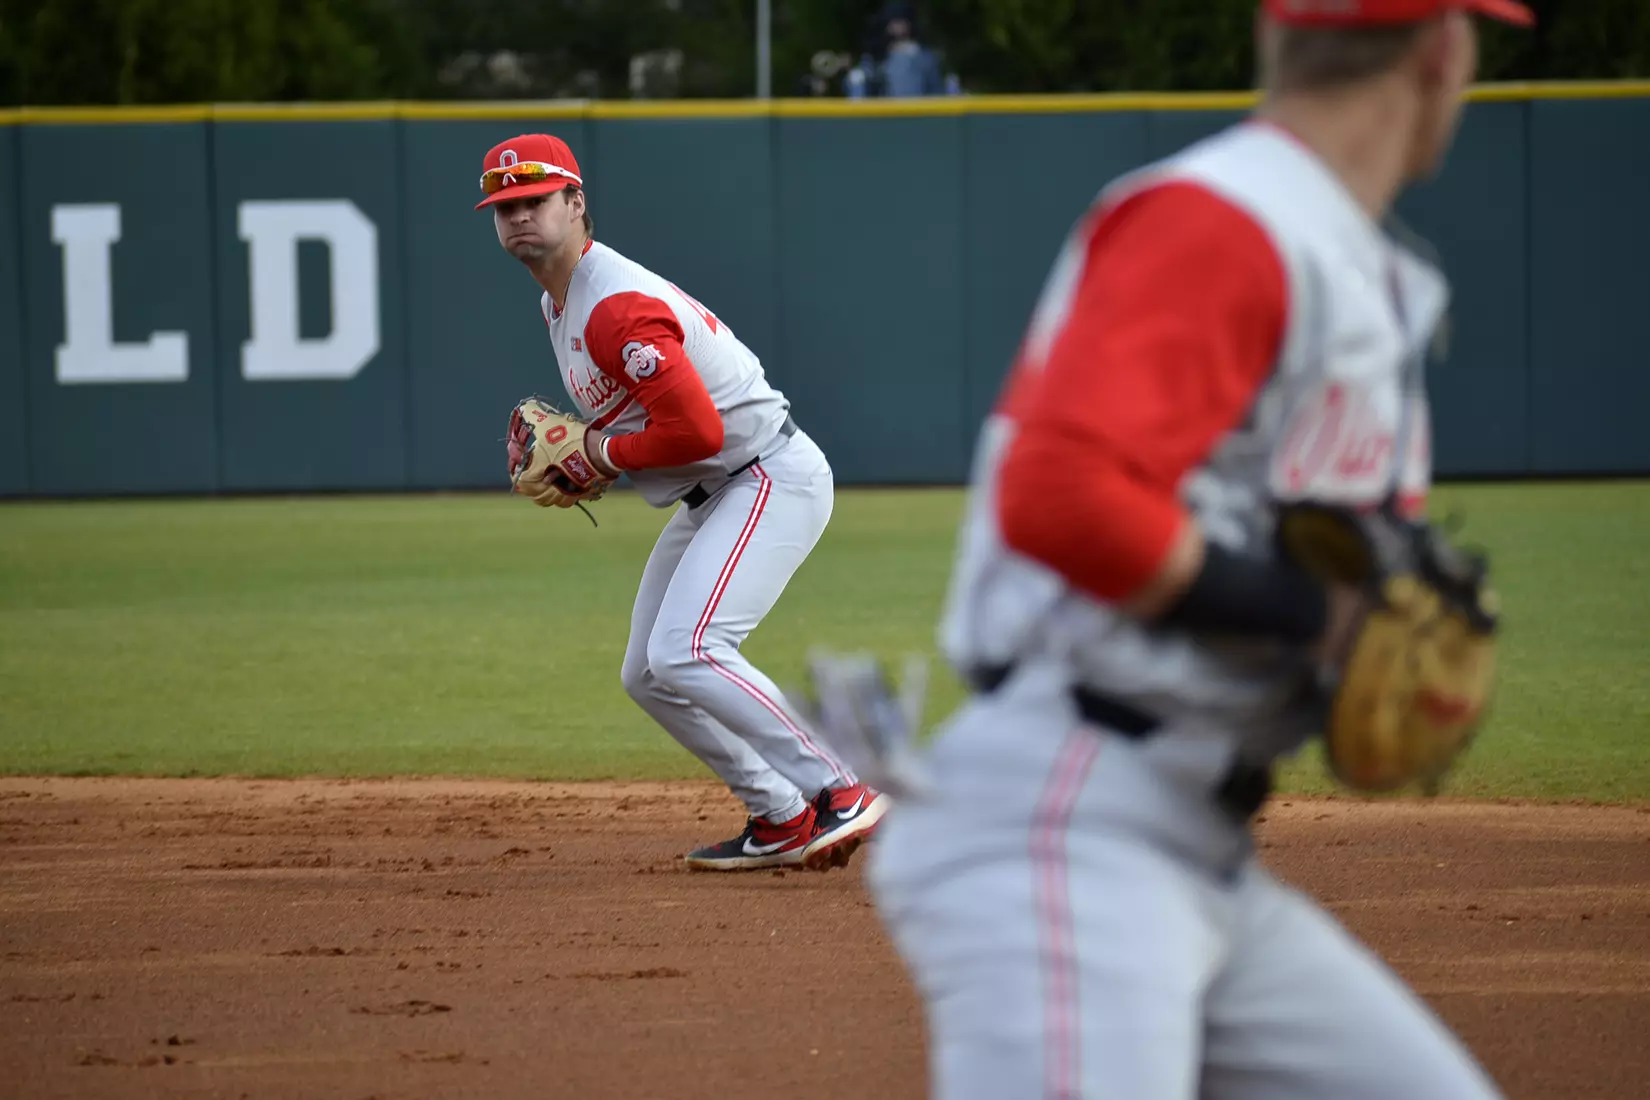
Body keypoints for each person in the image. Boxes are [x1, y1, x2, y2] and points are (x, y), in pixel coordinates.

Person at [845, 0, 1532, 1096]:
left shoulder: (1333, 249)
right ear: (1446, 49)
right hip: (1068, 821)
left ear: (1272, 42)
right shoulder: (1229, 218)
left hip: (1194, 847)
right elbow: (1060, 494)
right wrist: (1310, 616)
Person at [476, 133, 887, 873]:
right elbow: (656, 427)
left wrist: (599, 453)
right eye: (505, 207)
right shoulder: (558, 303)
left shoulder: (615, 308)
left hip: (765, 475)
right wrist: (600, 452)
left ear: (576, 202)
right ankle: (780, 814)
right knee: (647, 672)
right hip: (716, 490)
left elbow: (698, 431)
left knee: (689, 649)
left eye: (536, 199)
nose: (520, 216)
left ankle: (842, 787)